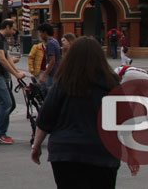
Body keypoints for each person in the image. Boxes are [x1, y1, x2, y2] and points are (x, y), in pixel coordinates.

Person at [30, 36, 124, 187]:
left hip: (66, 152)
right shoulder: (112, 85)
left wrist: (37, 146)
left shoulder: (63, 83)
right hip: (102, 154)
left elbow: (46, 117)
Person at [37, 23, 61, 90]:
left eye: (40, 32)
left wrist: (44, 75)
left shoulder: (50, 43)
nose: (40, 35)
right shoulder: (55, 41)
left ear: (45, 32)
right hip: (56, 71)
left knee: (45, 91)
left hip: (52, 73)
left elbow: (52, 60)